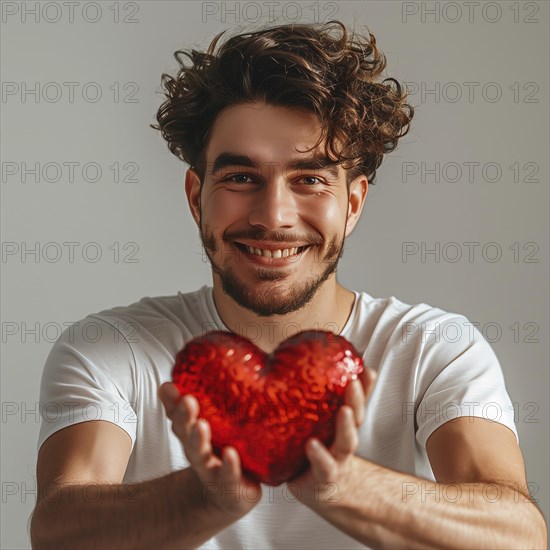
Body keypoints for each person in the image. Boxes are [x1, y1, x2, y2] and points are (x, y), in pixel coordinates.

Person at [30, 20, 547, 549]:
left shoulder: (436, 348)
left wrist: (343, 485)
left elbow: (519, 536)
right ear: (195, 197)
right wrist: (205, 498)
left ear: (352, 203)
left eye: (310, 179)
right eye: (239, 177)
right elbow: (58, 530)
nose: (273, 216)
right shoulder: (109, 348)